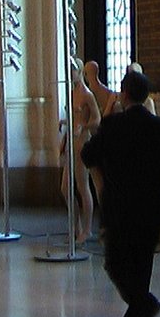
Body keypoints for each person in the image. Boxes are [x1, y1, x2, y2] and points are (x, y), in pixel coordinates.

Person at [81, 69, 160, 317]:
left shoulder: (113, 126)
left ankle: (143, 307)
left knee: (115, 263)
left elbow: (87, 154)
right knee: (142, 265)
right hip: (150, 208)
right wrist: (159, 172)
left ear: (124, 95)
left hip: (119, 207)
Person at [60, 61, 100, 242]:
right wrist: (65, 131)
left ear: (80, 71)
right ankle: (75, 225)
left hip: (83, 143)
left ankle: (87, 229)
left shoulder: (87, 95)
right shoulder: (71, 93)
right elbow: (71, 119)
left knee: (83, 186)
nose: (71, 75)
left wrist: (83, 126)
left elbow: (97, 119)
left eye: (73, 71)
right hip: (71, 143)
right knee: (65, 188)